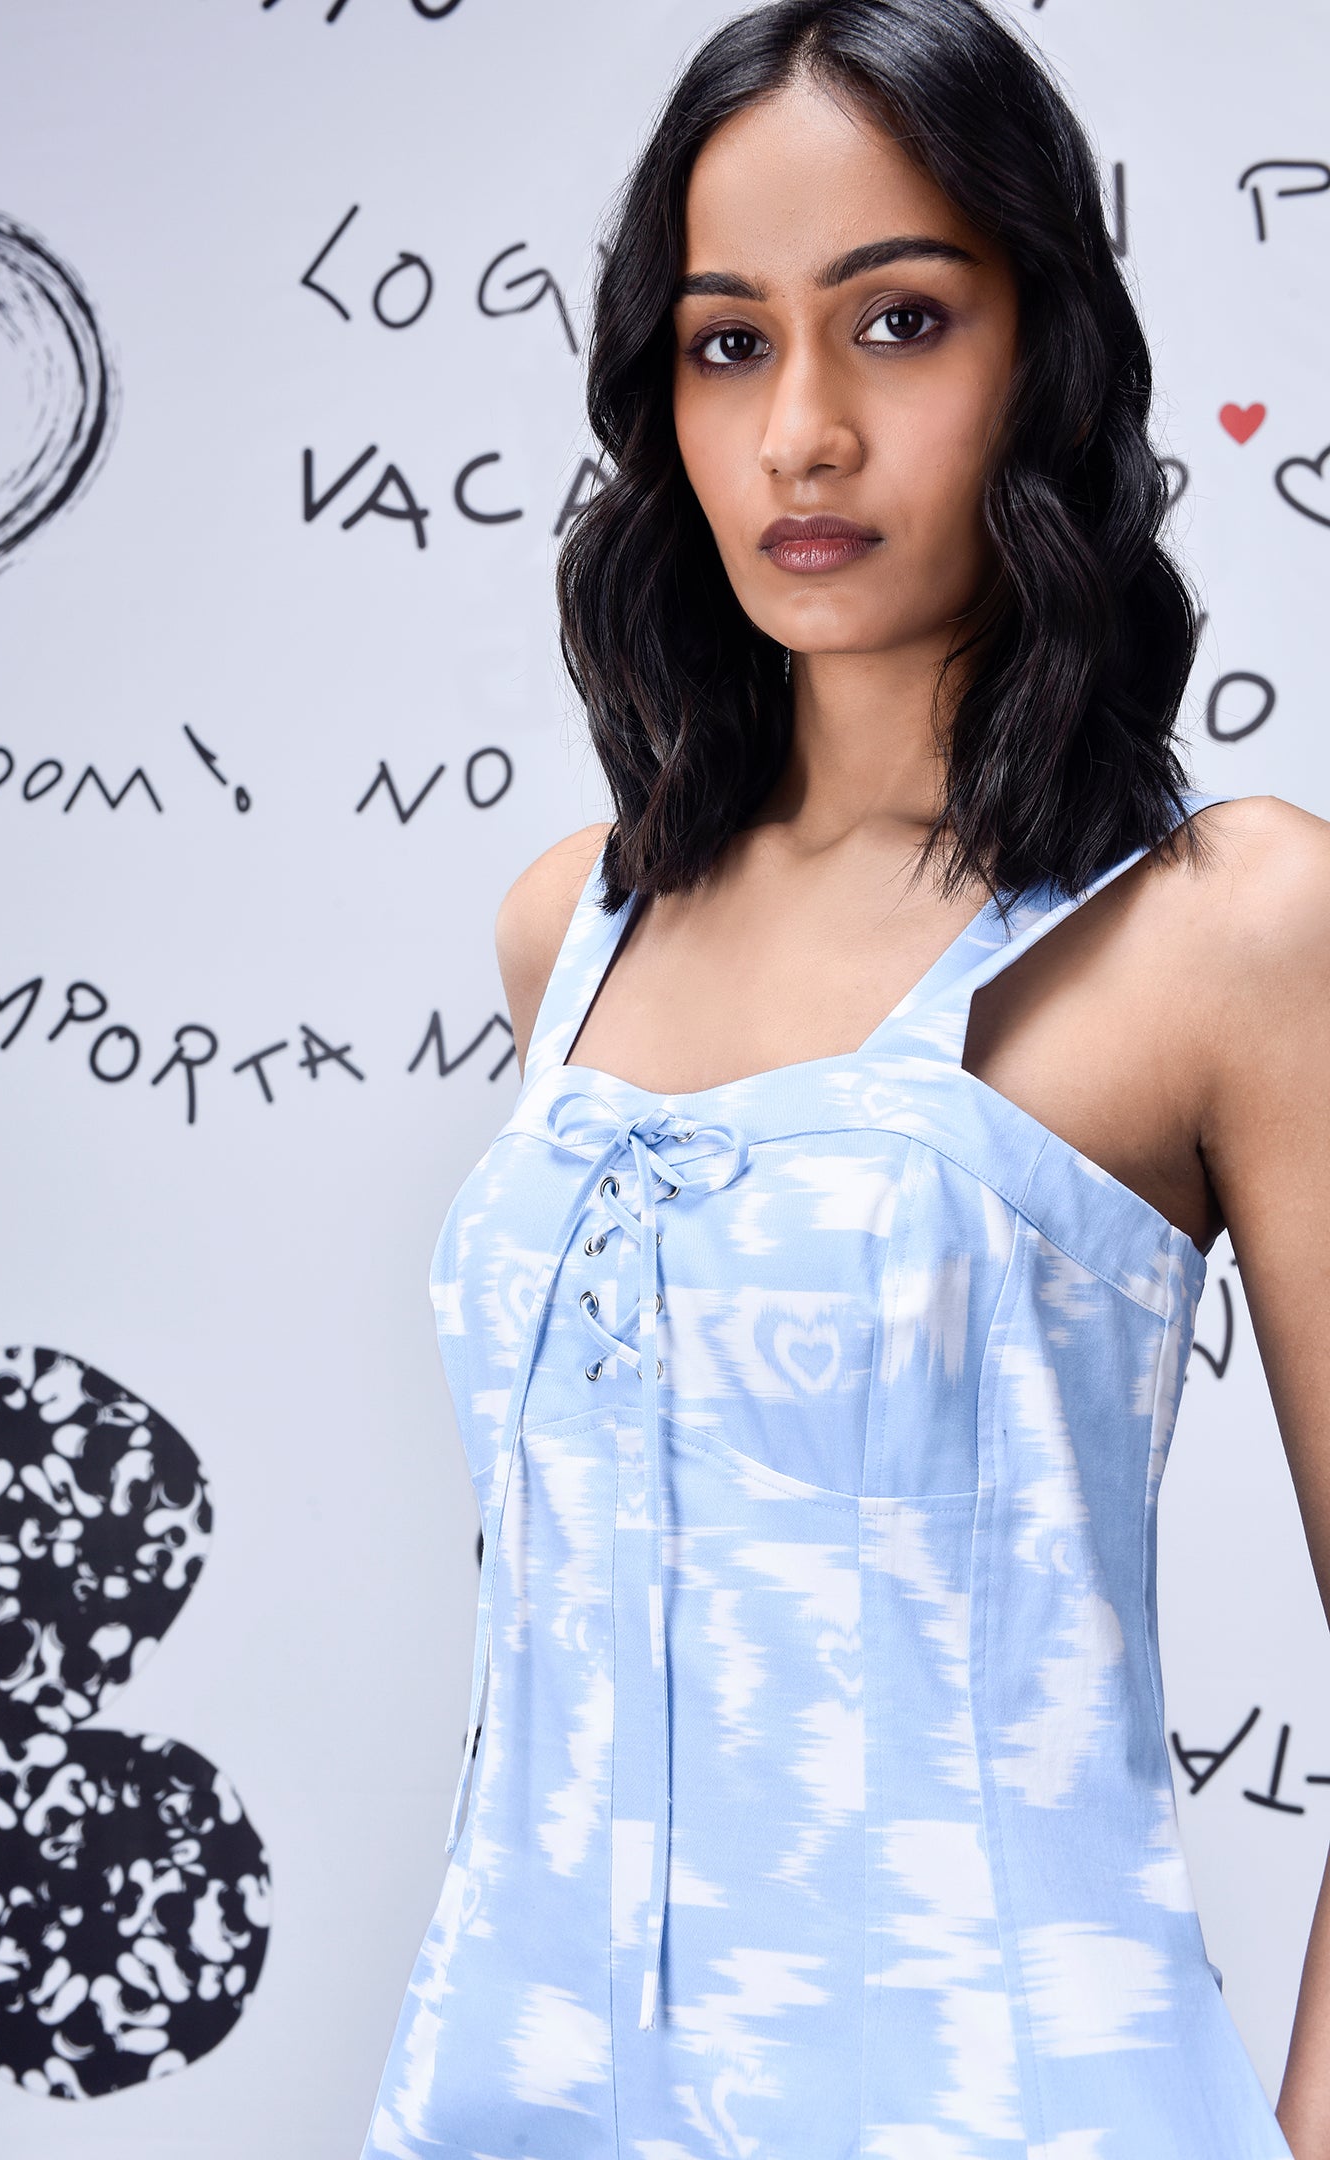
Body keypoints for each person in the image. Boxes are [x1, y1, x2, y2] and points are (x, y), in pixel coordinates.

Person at [363, 2, 1330, 2154]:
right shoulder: (570, 924)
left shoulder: (1232, 926)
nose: (802, 431)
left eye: (898, 321)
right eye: (729, 344)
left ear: (1044, 353)